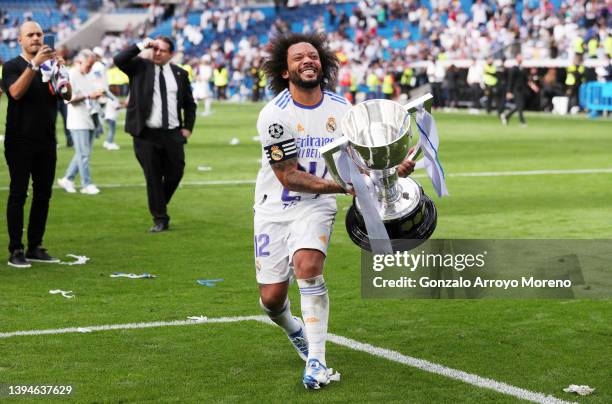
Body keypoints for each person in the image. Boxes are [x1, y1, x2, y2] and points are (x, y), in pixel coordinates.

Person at [254, 32, 414, 390]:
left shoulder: (343, 110)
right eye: (298, 58)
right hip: (273, 207)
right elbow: (288, 177)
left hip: (317, 204)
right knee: (271, 299)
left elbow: (362, 161)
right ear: (285, 71)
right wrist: (343, 186)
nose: (308, 61)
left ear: (322, 64)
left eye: (313, 56)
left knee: (309, 266)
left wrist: (390, 170)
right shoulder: (274, 116)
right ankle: (294, 329)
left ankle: (317, 360)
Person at [3, 21, 72, 267]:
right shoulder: (11, 66)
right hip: (19, 139)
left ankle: (34, 246)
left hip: (46, 140)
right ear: (20, 40)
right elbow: (15, 93)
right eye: (30, 35)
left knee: (43, 194)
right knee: (18, 194)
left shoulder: (51, 66)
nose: (35, 38)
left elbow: (67, 96)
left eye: (39, 34)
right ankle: (15, 249)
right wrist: (34, 65)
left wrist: (62, 74)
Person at [114, 36, 196, 232]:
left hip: (172, 133)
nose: (157, 53)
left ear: (171, 54)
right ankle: (160, 218)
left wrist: (188, 127)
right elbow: (119, 59)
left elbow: (189, 104)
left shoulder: (180, 74)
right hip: (146, 134)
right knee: (153, 177)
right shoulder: (140, 67)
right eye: (155, 49)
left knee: (176, 173)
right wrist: (142, 45)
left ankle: (159, 204)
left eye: (163, 50)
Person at [57, 49, 103, 195]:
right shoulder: (70, 75)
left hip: (88, 118)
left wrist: (95, 95)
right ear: (79, 62)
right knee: (83, 154)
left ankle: (68, 179)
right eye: (88, 65)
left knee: (84, 153)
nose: (90, 68)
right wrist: (89, 95)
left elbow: (89, 94)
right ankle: (86, 184)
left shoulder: (87, 75)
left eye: (91, 65)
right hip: (77, 120)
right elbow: (68, 99)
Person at [501, 54, 529, 127]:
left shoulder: (522, 68)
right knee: (520, 106)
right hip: (516, 90)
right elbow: (510, 81)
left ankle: (506, 116)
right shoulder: (513, 69)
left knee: (519, 106)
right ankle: (522, 121)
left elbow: (525, 80)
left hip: (522, 90)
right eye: (520, 57)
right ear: (516, 59)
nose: (521, 59)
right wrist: (509, 91)